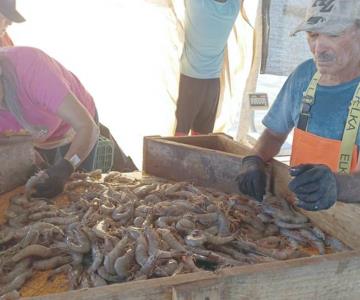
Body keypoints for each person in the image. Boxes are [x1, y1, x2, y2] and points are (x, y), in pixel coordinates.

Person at [236, 0, 360, 210]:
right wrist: (254, 158)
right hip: (300, 211)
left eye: (333, 34)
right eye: (312, 35)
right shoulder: (303, 76)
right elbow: (274, 135)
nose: (318, 48)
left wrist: (336, 185)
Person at [0, 46, 100, 198]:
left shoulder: (32, 67)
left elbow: (88, 127)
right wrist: (35, 162)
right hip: (38, 136)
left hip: (77, 129)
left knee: (78, 192)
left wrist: (67, 166)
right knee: (42, 191)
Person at [174, 0, 241, 136]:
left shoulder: (197, 4)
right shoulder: (233, 8)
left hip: (189, 82)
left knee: (179, 138)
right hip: (212, 86)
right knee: (201, 140)